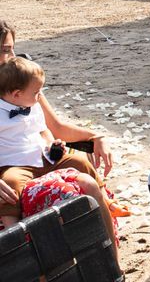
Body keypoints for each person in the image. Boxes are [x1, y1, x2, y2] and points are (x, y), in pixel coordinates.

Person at [0, 57, 125, 262]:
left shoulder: (30, 99)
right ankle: (13, 235)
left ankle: (105, 198)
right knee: (11, 185)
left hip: (44, 157)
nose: (10, 54)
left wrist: (55, 145)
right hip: (16, 163)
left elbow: (47, 130)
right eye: (5, 49)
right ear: (16, 94)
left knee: (80, 161)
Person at [0, 20, 114, 209]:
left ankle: (104, 234)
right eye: (4, 50)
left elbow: (56, 128)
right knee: (67, 194)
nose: (11, 57)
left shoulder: (20, 81)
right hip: (11, 172)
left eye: (12, 49)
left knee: (82, 179)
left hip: (37, 161)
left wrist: (95, 137)